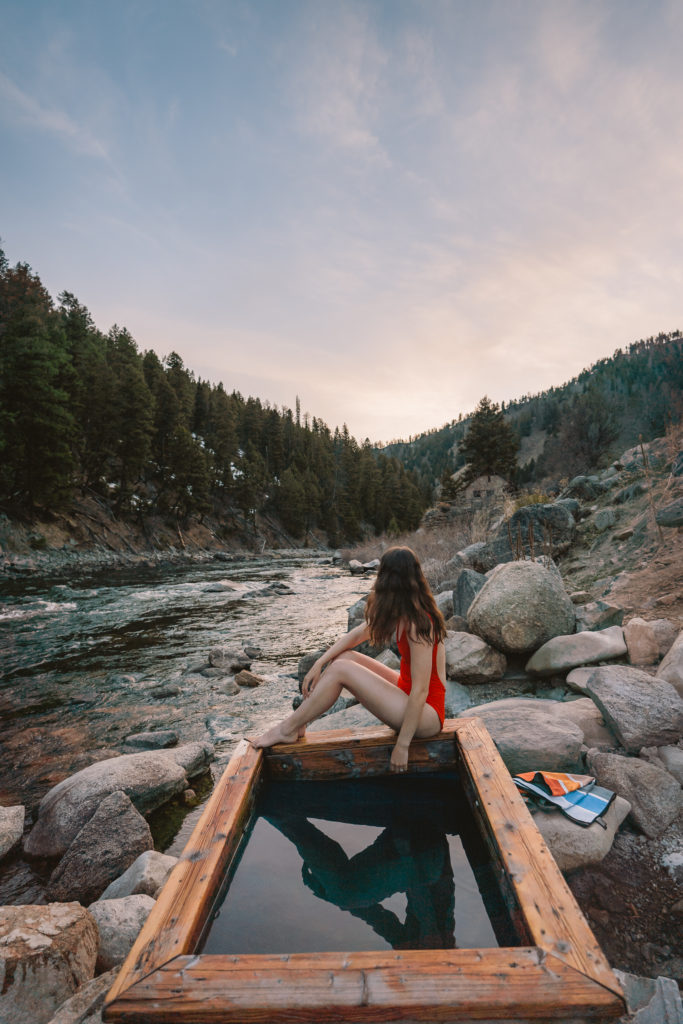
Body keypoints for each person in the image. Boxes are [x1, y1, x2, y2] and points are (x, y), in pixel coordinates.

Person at [248, 546, 447, 772]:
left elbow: (421, 690)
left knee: (342, 669)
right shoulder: (402, 610)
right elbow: (357, 635)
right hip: (407, 692)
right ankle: (300, 723)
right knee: (344, 657)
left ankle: (288, 728)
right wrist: (319, 662)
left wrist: (403, 745)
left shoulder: (419, 622)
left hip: (427, 715)